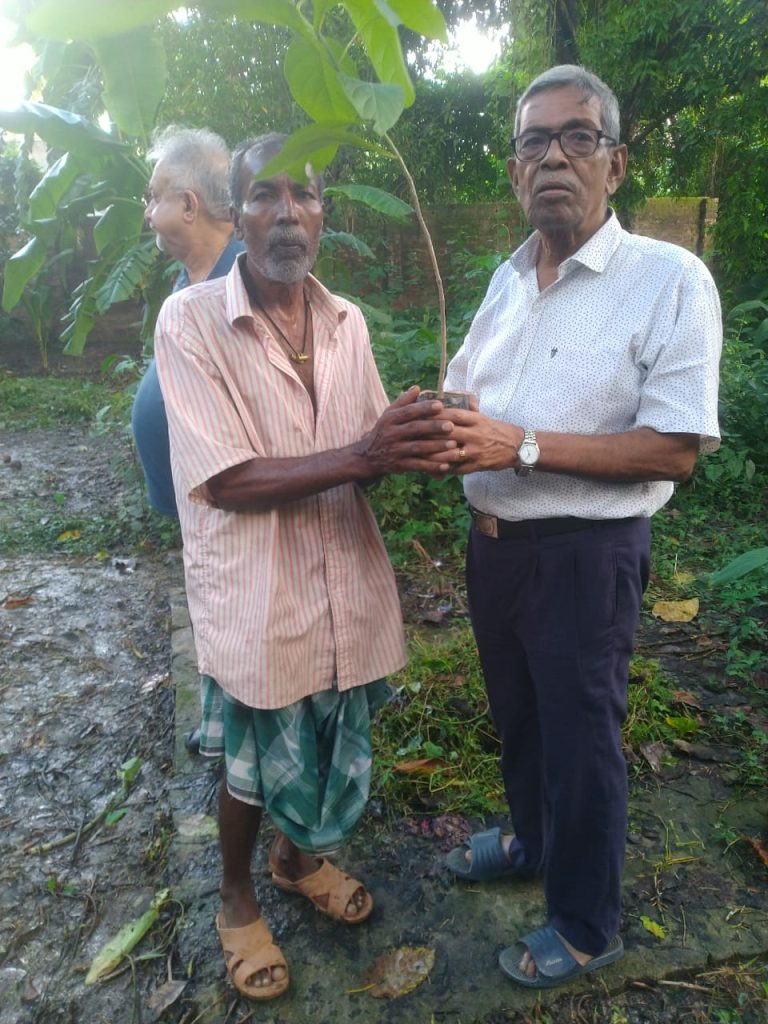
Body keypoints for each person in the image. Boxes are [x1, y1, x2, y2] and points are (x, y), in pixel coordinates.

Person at [436, 65, 722, 989]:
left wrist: (516, 443)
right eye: (535, 141)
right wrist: (436, 422)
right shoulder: (507, 278)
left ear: (616, 162)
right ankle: (532, 840)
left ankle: (589, 922)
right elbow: (470, 390)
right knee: (520, 719)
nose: (554, 156)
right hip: (495, 550)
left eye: (578, 137)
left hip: (585, 556)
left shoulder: (668, 279)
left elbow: (675, 448)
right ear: (515, 169)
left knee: (583, 740)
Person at [154, 132, 455, 1001]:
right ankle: (236, 899)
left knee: (326, 730)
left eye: (306, 195)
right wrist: (367, 453)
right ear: (235, 214)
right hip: (258, 589)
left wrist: (420, 438)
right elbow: (226, 479)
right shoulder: (191, 322)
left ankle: (295, 863)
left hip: (340, 577)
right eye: (265, 195)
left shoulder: (346, 322)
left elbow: (368, 448)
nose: (287, 212)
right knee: (251, 763)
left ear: (324, 214)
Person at [131, 126, 245, 519]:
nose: (147, 212)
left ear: (189, 206)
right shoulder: (192, 275)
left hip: (234, 516)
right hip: (198, 512)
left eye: (155, 197)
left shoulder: (243, 283)